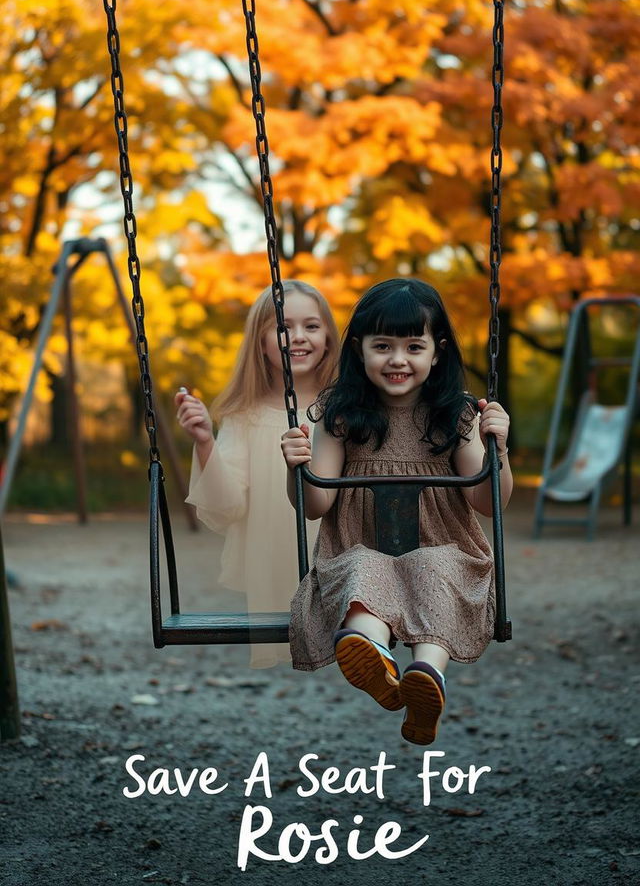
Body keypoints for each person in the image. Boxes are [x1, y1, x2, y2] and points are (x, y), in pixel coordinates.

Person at [281, 278, 512, 744]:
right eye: (382, 346)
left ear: (437, 351)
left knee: (434, 567)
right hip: (359, 544)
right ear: (359, 349)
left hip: (444, 547)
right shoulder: (338, 414)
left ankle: (426, 676)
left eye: (413, 346)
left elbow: (489, 503)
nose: (398, 360)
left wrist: (498, 449)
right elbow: (316, 505)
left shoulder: (458, 414)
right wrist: (297, 469)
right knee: (364, 569)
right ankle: (370, 655)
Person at [176, 280, 339, 668]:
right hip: (274, 554)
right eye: (283, 327)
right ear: (261, 341)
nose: (298, 337)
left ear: (329, 337)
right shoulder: (244, 413)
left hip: (340, 553)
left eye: (312, 326)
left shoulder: (347, 407)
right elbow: (227, 505)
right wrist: (204, 443)